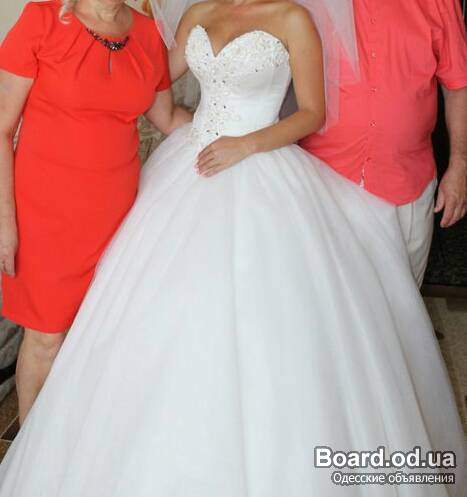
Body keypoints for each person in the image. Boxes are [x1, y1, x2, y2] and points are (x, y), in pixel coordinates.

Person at [0, 0, 466, 495]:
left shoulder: (292, 18)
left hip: (261, 167)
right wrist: (80, 56)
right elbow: (149, 76)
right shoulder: (200, 13)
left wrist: (247, 144)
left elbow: (312, 113)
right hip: (190, 166)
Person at [0, 0, 191, 424]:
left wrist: (235, 131)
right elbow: (1, 127)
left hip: (119, 212)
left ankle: (79, 437)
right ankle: (33, 444)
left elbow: (167, 117)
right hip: (44, 212)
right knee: (46, 337)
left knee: (101, 331)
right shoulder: (42, 20)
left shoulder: (146, 34)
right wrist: (4, 221)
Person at [299, 0, 467, 287]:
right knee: (328, 299)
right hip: (323, 181)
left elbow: (458, 85)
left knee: (404, 297)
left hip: (407, 181)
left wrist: (460, 166)